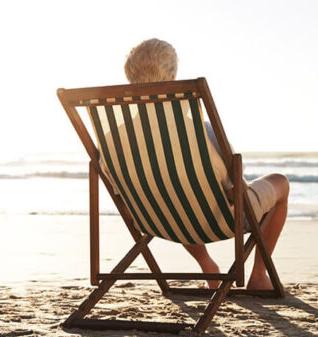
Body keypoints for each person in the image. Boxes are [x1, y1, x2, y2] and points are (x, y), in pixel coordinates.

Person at [123, 38, 290, 290]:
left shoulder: (115, 138)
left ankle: (207, 266)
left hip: (157, 220)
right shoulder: (200, 133)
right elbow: (234, 178)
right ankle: (257, 276)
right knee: (280, 183)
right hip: (218, 219)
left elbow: (116, 185)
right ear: (172, 77)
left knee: (175, 197)